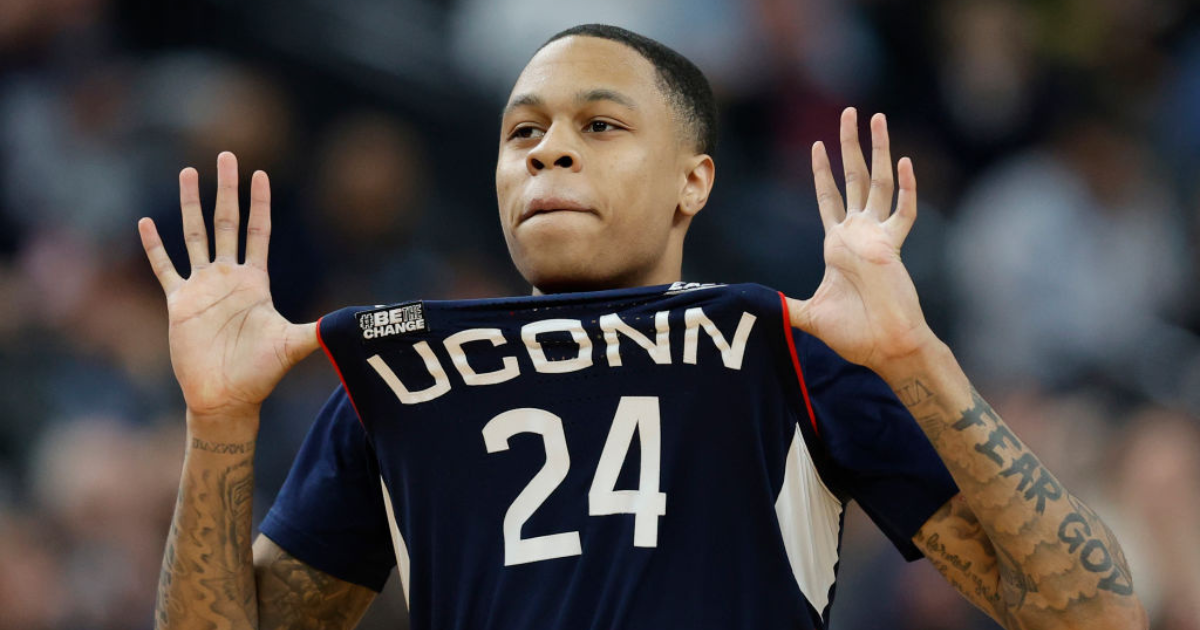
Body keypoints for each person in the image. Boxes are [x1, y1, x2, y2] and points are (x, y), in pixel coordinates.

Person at [138, 24, 1146, 630]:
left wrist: (919, 358)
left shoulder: (789, 357)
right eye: (522, 133)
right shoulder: (397, 381)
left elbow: (1091, 615)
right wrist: (218, 423)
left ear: (694, 180)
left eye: (599, 125)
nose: (549, 154)